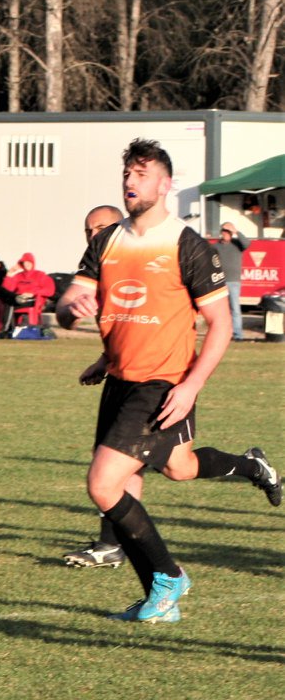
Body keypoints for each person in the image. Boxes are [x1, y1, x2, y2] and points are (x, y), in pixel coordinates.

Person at [55, 139, 281, 621]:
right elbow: (70, 299)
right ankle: (161, 599)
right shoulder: (106, 241)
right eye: (127, 175)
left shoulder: (188, 245)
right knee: (171, 469)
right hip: (120, 380)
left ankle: (169, 578)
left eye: (141, 174)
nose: (131, 182)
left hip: (163, 384)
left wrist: (192, 385)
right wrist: (72, 308)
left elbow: (221, 325)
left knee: (103, 483)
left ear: (165, 184)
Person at [0, 252, 55, 334]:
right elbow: (7, 290)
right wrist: (9, 275)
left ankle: (5, 330)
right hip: (19, 299)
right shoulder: (18, 276)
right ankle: (10, 330)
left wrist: (33, 293)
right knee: (8, 303)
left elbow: (50, 290)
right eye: (24, 262)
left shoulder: (40, 275)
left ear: (33, 263)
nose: (27, 264)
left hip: (33, 300)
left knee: (10, 304)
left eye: (29, 262)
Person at [212, 221, 249, 340]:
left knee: (235, 309)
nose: (226, 234)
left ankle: (238, 335)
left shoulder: (237, 244)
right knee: (220, 310)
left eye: (228, 232)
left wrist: (236, 230)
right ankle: (221, 334)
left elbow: (247, 244)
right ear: (221, 232)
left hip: (234, 282)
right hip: (220, 282)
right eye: (224, 231)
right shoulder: (216, 247)